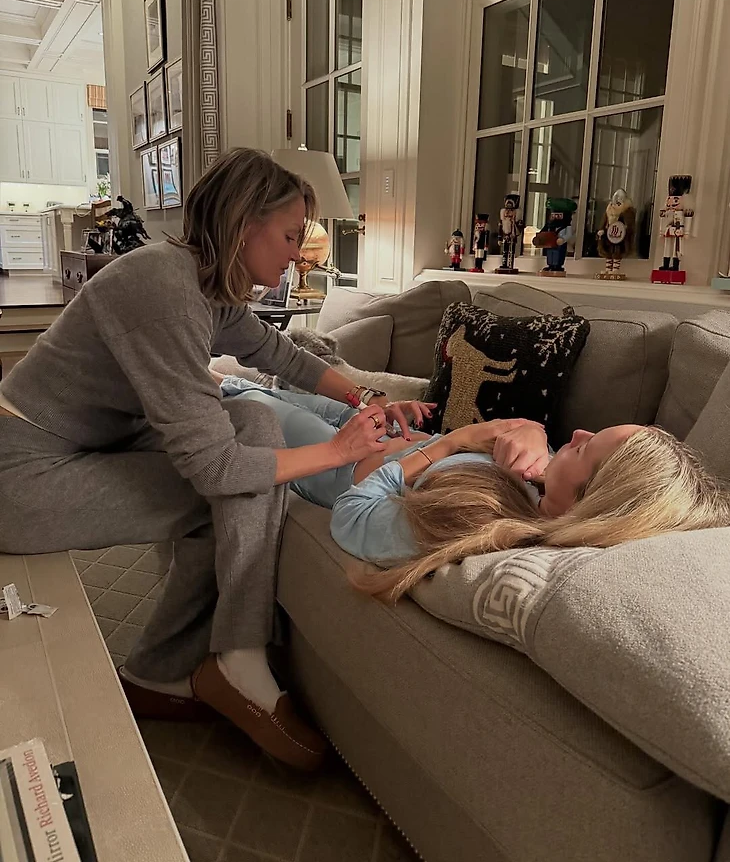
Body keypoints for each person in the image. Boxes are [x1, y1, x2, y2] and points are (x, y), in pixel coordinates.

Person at [0, 147, 431, 772]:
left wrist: (368, 399)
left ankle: (174, 668)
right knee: (229, 480)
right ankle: (236, 657)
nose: (296, 254)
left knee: (254, 419)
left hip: (91, 442)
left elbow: (279, 355)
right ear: (243, 223)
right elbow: (216, 471)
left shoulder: (203, 285)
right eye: (290, 236)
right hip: (23, 474)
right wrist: (337, 451)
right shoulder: (163, 290)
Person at [216, 376, 730, 604]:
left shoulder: (482, 518)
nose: (577, 433)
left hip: (339, 464)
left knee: (240, 403)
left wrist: (448, 444)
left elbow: (352, 517)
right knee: (260, 386)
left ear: (583, 505)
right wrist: (531, 432)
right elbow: (528, 439)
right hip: (383, 432)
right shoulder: (544, 486)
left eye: (586, 449)